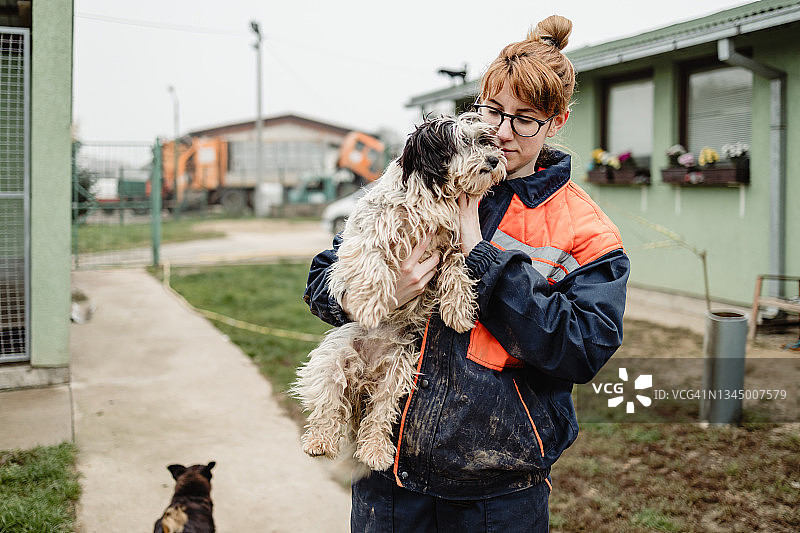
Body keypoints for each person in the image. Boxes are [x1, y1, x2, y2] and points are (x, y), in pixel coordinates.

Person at [303, 14, 629, 533]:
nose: (501, 132)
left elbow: (582, 348)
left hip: (499, 491)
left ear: (557, 121)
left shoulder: (585, 230)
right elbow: (324, 277)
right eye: (492, 110)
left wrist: (482, 256)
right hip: (391, 477)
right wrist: (378, 294)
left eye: (525, 119)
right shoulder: (425, 178)